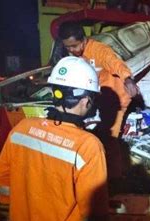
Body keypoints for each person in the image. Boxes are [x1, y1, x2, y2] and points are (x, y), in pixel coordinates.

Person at [0, 57, 119, 221]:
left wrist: (25, 210)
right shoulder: (87, 146)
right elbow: (94, 214)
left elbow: (0, 182)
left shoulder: (22, 129)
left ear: (55, 93)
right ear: (86, 101)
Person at [58, 21, 137, 180]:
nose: (72, 50)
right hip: (94, 100)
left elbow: (115, 63)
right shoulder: (72, 55)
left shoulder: (99, 50)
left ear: (84, 40)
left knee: (110, 139)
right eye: (68, 47)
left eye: (75, 46)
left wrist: (128, 79)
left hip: (114, 100)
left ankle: (115, 178)